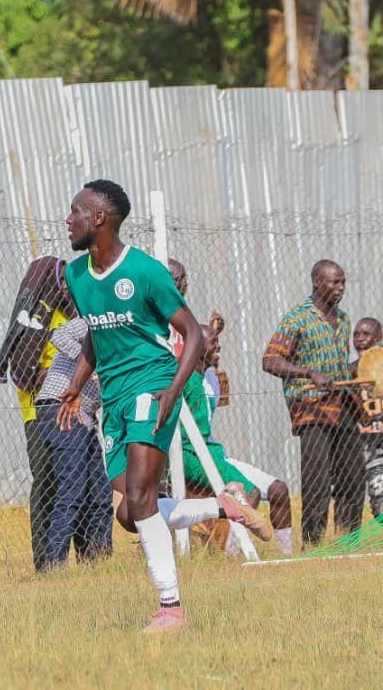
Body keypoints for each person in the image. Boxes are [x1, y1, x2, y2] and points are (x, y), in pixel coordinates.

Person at [57, 180, 268, 632]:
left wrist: (172, 391)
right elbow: (95, 332)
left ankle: (171, 608)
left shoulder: (146, 271)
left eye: (75, 211)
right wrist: (77, 385)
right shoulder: (76, 275)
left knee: (140, 496)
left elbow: (192, 331)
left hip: (150, 385)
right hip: (112, 395)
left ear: (99, 218)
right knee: (131, 511)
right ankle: (224, 507)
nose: (68, 220)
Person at [262, 260, 364, 546]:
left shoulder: (343, 319)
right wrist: (308, 373)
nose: (340, 288)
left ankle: (349, 541)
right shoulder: (297, 318)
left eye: (343, 282)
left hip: (344, 407)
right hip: (312, 409)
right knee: (317, 482)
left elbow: (338, 365)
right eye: (335, 282)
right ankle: (313, 544)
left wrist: (366, 367)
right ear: (317, 282)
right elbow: (270, 360)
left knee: (352, 479)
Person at [0, 256, 74, 571]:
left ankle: (73, 555)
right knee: (47, 481)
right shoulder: (37, 321)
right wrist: (67, 374)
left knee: (74, 484)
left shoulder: (74, 317)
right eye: (64, 282)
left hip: (74, 412)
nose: (69, 288)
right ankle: (45, 562)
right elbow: (27, 369)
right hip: (38, 413)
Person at [181, 325, 290, 554]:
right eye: (213, 341)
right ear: (196, 346)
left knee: (278, 488)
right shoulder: (184, 380)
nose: (219, 345)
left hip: (215, 452)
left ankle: (286, 554)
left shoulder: (209, 379)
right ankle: (231, 556)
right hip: (193, 454)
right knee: (245, 493)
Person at [32, 316, 112, 568]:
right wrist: (89, 361)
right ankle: (54, 562)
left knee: (100, 492)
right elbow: (58, 335)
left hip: (85, 416)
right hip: (60, 407)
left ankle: (98, 560)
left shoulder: (128, 335)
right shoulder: (96, 317)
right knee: (72, 488)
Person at [351, 317, 383, 518]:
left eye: (366, 334)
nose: (360, 339)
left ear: (379, 337)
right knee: (379, 502)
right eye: (356, 334)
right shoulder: (350, 371)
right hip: (371, 445)